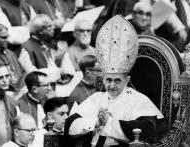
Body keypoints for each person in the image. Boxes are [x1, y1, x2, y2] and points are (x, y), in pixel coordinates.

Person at [65, 15, 163, 147]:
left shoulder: (139, 100)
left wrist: (109, 123)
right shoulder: (97, 98)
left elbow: (150, 130)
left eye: (117, 81)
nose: (111, 85)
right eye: (108, 80)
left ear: (127, 80)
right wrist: (96, 123)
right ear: (103, 78)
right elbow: (71, 123)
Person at [0, 24, 25, 92]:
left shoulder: (9, 52)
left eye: (8, 37)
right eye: (4, 37)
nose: (7, 40)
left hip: (20, 89)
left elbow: (22, 72)